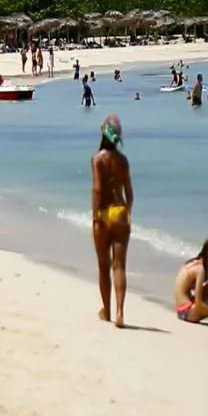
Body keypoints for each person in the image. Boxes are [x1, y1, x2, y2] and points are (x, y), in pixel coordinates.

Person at [91, 114, 133, 328]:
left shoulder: (98, 159)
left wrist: (96, 217)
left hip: (104, 214)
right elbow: (130, 193)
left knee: (103, 267)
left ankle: (106, 311)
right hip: (120, 214)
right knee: (119, 267)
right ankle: (120, 312)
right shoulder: (123, 161)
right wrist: (127, 215)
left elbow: (98, 189)